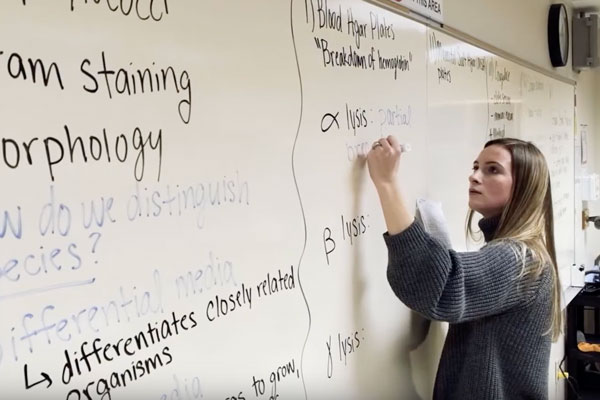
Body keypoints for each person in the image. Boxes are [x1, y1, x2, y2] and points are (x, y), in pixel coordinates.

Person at [367, 136, 560, 399]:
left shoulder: (520, 259)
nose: (475, 177)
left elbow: (442, 286)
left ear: (523, 188)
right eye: (475, 167)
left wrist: (387, 184)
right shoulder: (519, 253)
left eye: (493, 169)